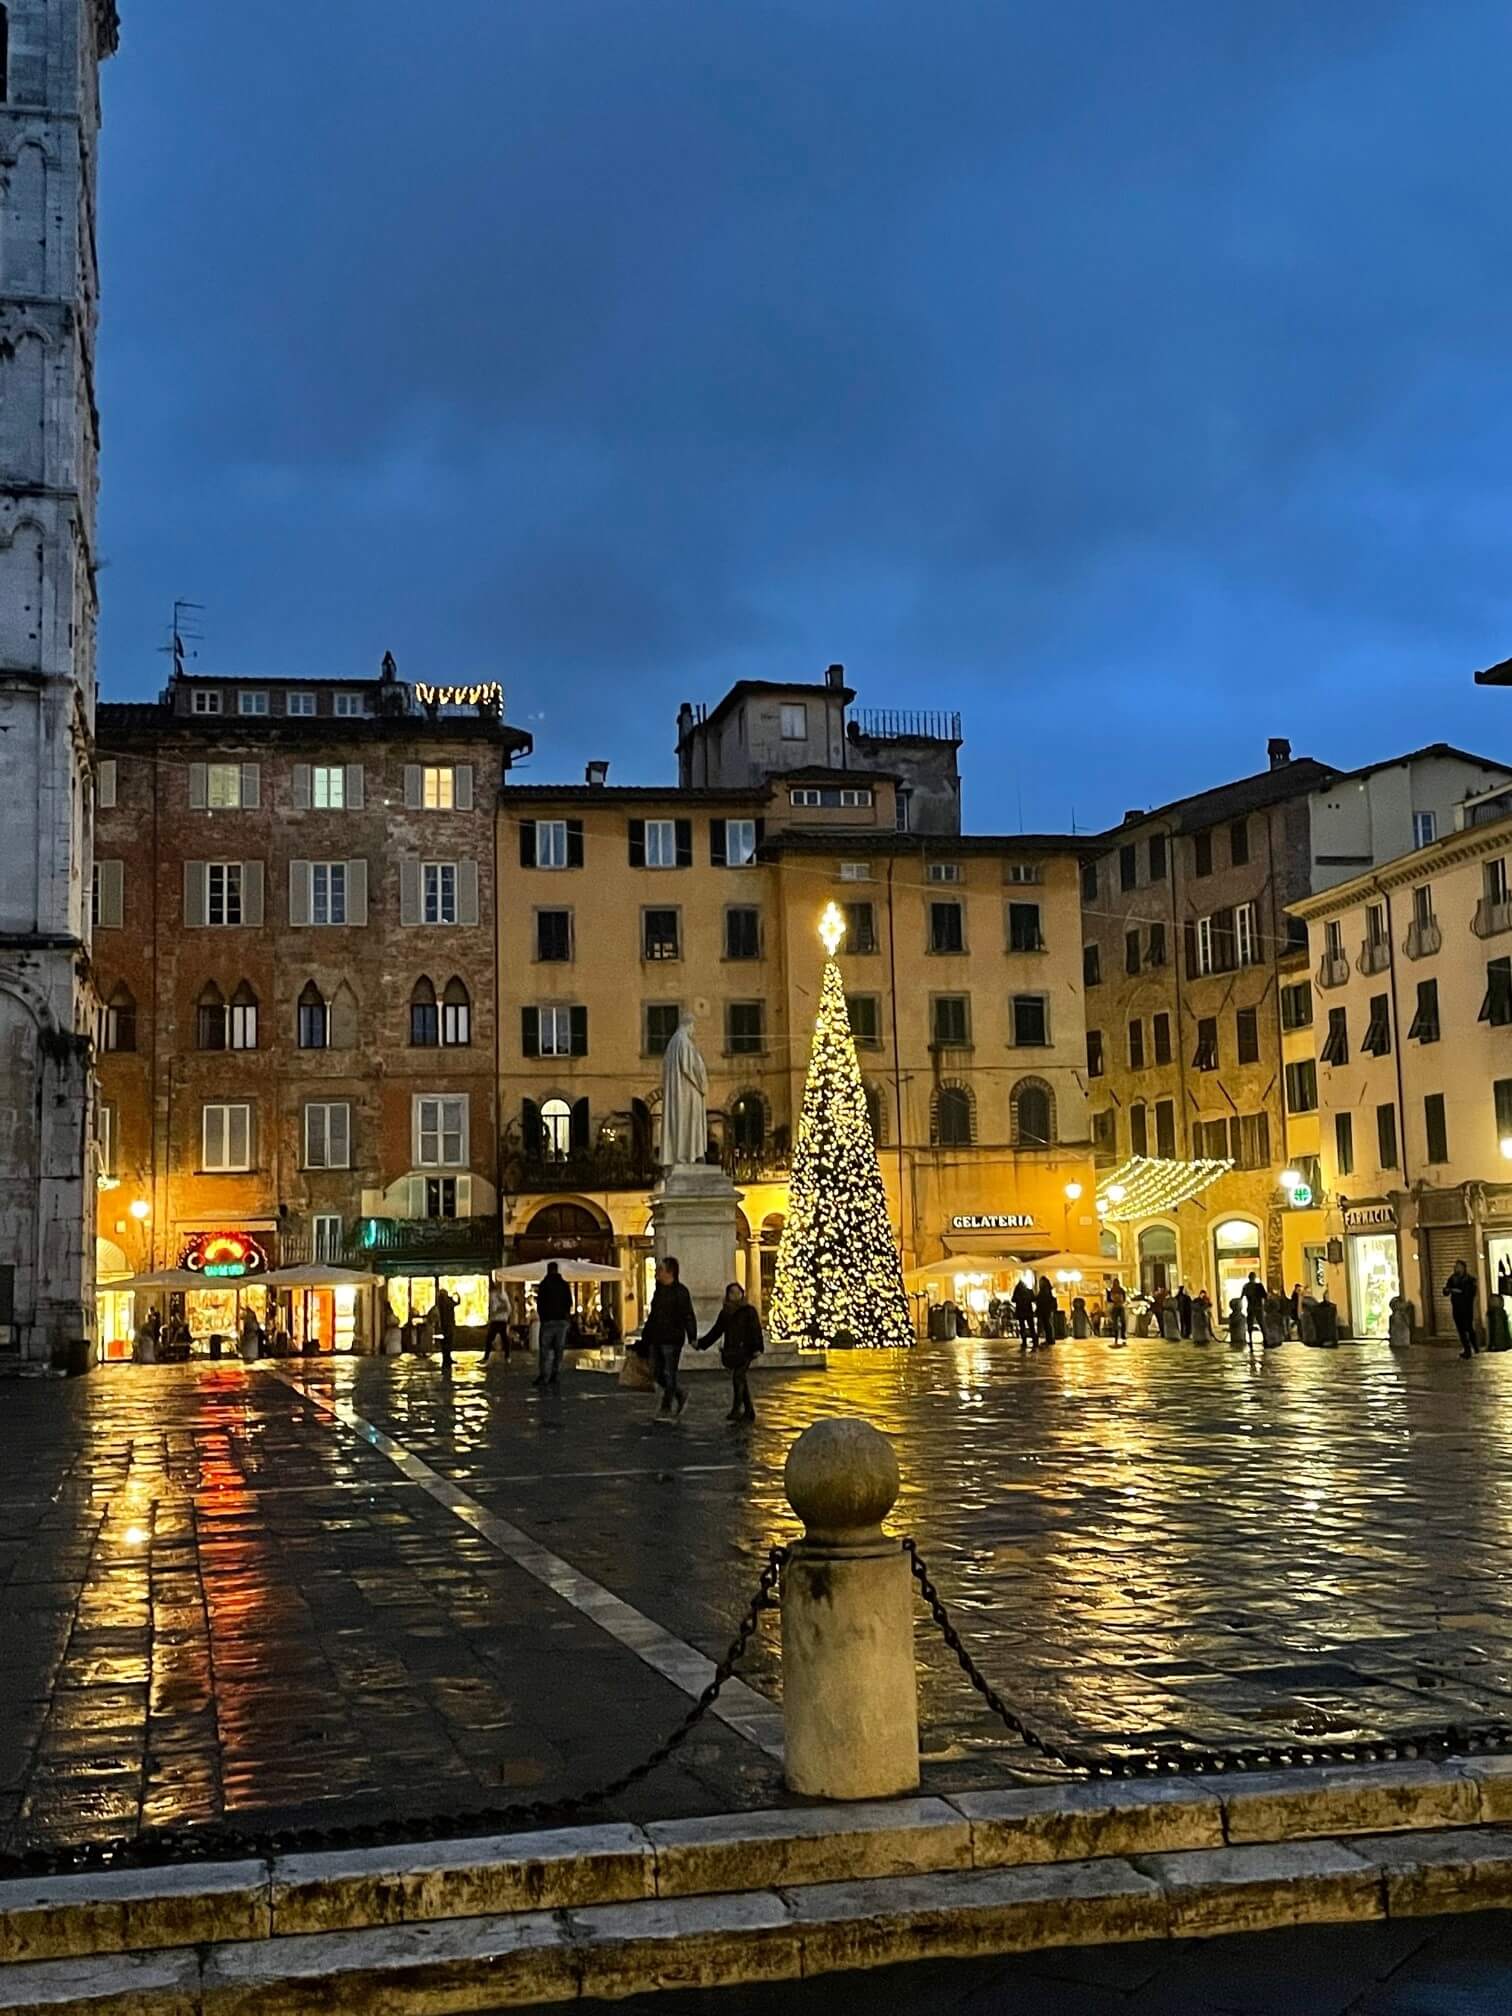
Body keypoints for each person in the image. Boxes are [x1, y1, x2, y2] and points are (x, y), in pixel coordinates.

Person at [698, 1281, 764, 1422]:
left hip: (747, 1350)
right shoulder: (725, 1313)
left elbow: (756, 1330)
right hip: (732, 1350)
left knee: (738, 1377)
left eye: (738, 1292)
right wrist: (701, 1344)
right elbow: (716, 1331)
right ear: (728, 1295)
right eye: (732, 1292)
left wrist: (758, 1347)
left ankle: (736, 1409)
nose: (735, 1295)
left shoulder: (749, 1310)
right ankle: (749, 1410)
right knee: (741, 1378)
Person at [643, 1255, 697, 1414]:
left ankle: (666, 1407)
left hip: (672, 1339)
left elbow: (688, 1315)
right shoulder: (658, 1291)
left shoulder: (680, 1292)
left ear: (669, 1272)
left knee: (669, 1372)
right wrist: (646, 1336)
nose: (656, 1273)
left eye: (660, 1270)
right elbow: (653, 1316)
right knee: (655, 1372)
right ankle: (679, 1393)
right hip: (656, 1337)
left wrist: (692, 1336)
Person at [533, 1261, 572, 1387]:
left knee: (544, 1350)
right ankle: (555, 1374)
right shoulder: (564, 1285)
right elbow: (569, 1302)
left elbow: (540, 1303)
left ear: (548, 1270)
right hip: (561, 1321)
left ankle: (544, 1375)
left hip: (548, 1321)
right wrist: (566, 1316)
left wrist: (543, 1317)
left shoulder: (544, 1284)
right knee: (558, 1349)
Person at [1445, 1260, 1479, 1358]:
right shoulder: (1452, 1278)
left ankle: (1475, 1346)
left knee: (1468, 1327)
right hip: (1456, 1307)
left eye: (1458, 1266)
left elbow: (1471, 1293)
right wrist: (1447, 1290)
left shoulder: (1470, 1279)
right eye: (1455, 1266)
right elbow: (1446, 1290)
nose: (1456, 1268)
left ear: (1464, 1268)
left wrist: (1460, 1291)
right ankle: (1467, 1350)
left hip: (1467, 1308)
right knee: (1461, 1330)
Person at [483, 1278, 512, 1361]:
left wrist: (492, 1315)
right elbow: (508, 1308)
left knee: (491, 1339)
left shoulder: (495, 1295)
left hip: (497, 1320)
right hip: (501, 1320)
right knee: (504, 1338)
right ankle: (507, 1356)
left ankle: (487, 1356)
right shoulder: (502, 1295)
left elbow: (493, 1308)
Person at [434, 1285, 457, 1374]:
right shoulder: (447, 1302)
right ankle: (447, 1359)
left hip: (444, 1327)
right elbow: (457, 1303)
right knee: (448, 1343)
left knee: (445, 1344)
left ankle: (446, 1359)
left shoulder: (440, 1303)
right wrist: (456, 1295)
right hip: (448, 1326)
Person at [1241, 1271, 1267, 1341]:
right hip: (1258, 1307)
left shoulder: (1246, 1286)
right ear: (1255, 1278)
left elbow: (1241, 1297)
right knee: (1261, 1324)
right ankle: (1265, 1339)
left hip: (1251, 1307)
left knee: (1250, 1324)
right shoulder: (1259, 1286)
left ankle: (1250, 1340)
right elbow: (1265, 1296)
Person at [1011, 1278, 1036, 1348]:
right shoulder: (1029, 1291)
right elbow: (1033, 1298)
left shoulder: (1017, 1292)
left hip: (1021, 1312)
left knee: (1022, 1327)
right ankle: (1034, 1340)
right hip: (1028, 1311)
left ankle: (1024, 1341)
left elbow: (1013, 1299)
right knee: (1031, 1326)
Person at [1034, 1275, 1057, 1348]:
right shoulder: (1048, 1290)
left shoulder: (1045, 1290)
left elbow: (1044, 1299)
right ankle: (1049, 1339)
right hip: (1046, 1309)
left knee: (1047, 1324)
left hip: (1045, 1309)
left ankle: (1049, 1339)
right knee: (1047, 1325)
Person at [1107, 1279, 1127, 1346]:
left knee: (1119, 1322)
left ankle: (1119, 1338)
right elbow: (1124, 1299)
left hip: (1117, 1307)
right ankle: (1120, 1337)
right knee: (1119, 1322)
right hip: (1117, 1307)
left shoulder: (1112, 1291)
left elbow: (1109, 1300)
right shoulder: (1120, 1290)